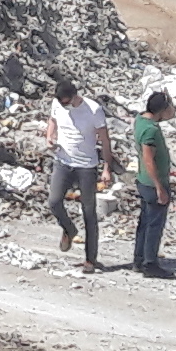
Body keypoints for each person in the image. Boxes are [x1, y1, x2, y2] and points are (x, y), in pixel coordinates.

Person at [44, 79, 108, 268]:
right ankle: (69, 229)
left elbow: (104, 140)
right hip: (63, 161)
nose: (65, 105)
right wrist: (49, 137)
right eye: (61, 102)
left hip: (86, 166)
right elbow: (52, 120)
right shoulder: (57, 104)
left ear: (74, 96)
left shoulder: (93, 110)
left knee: (88, 211)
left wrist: (106, 167)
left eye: (67, 102)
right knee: (54, 201)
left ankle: (90, 259)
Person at [127, 89, 176, 276]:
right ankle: (150, 264)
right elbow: (149, 159)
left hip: (144, 180)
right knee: (154, 225)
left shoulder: (141, 120)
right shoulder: (150, 130)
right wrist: (159, 187)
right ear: (162, 110)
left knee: (145, 222)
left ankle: (139, 260)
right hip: (152, 184)